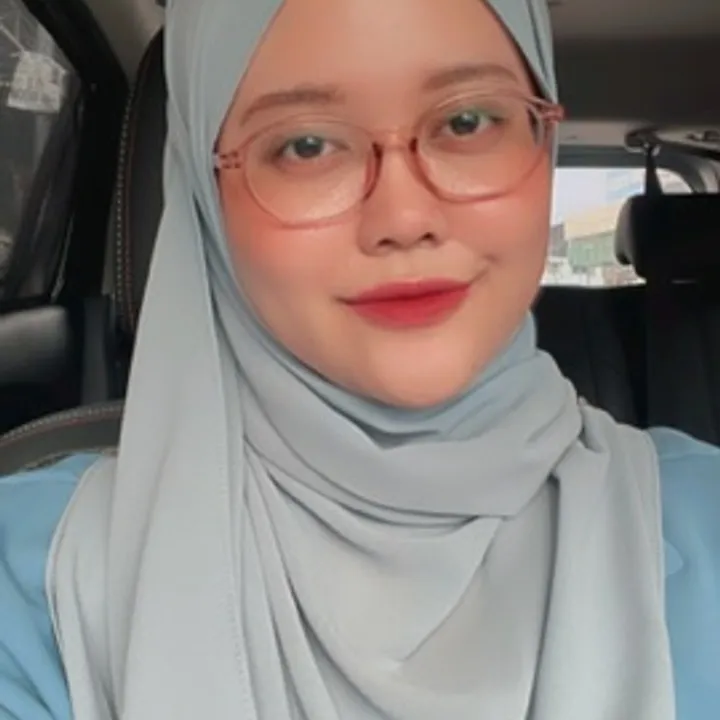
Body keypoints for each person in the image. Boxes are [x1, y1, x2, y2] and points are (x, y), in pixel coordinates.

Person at [1, 0, 719, 717]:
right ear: (205, 196)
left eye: (467, 121)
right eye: (306, 145)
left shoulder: (705, 515)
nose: (404, 219)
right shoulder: (33, 587)